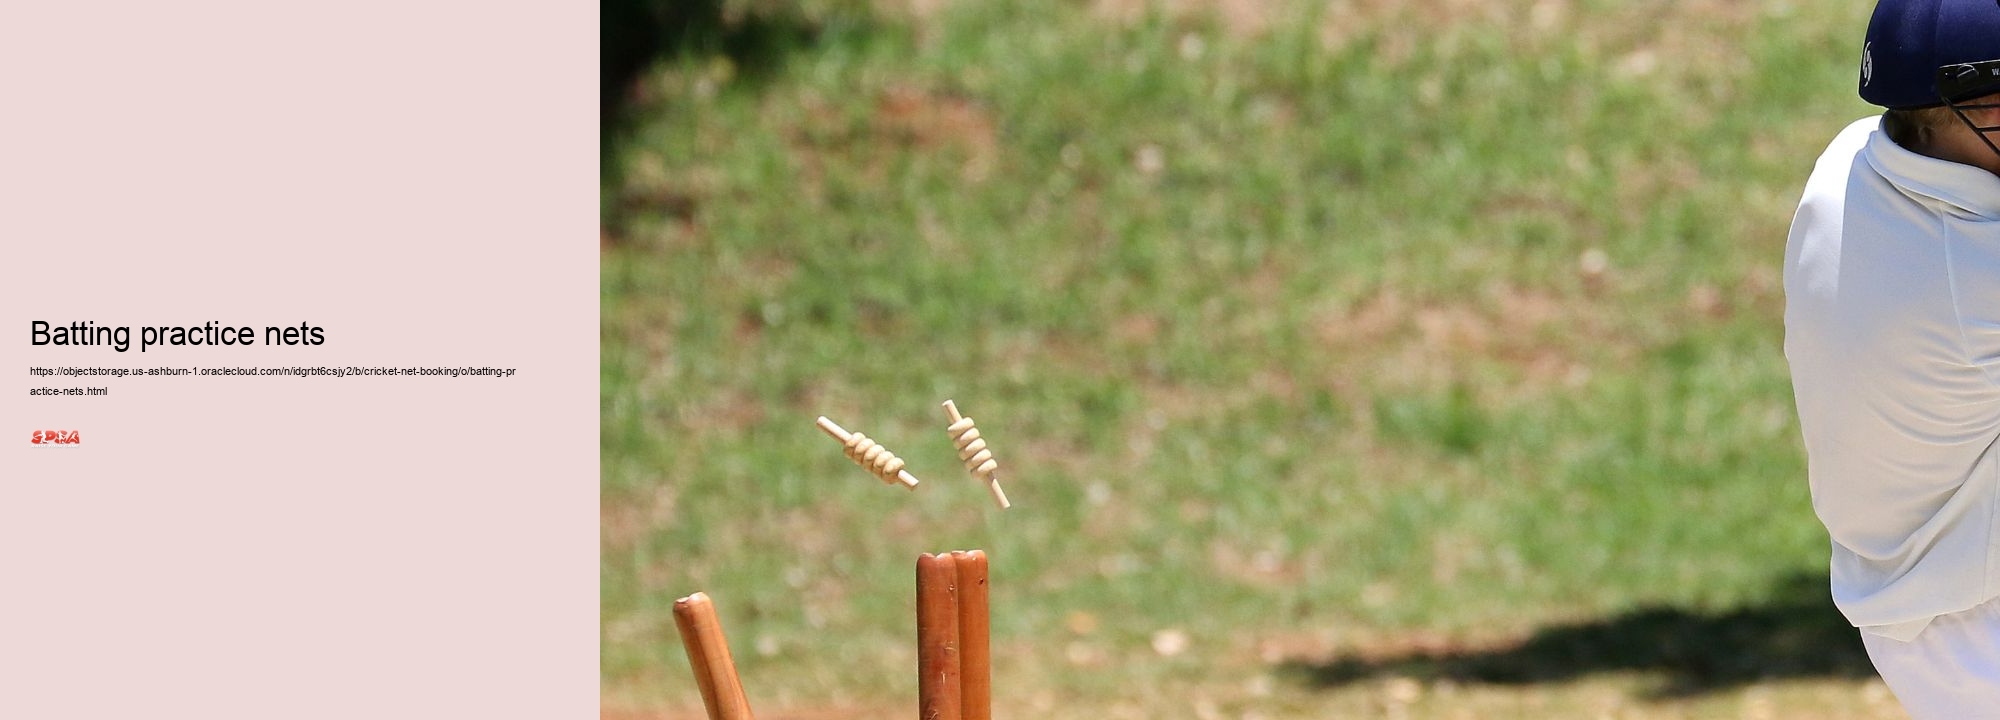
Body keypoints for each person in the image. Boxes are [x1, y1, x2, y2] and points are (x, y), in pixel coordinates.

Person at [1785, 0, 2000, 716]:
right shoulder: (1974, 274)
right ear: (1936, 116)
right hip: (1980, 627)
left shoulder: (1848, 162)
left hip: (1916, 605)